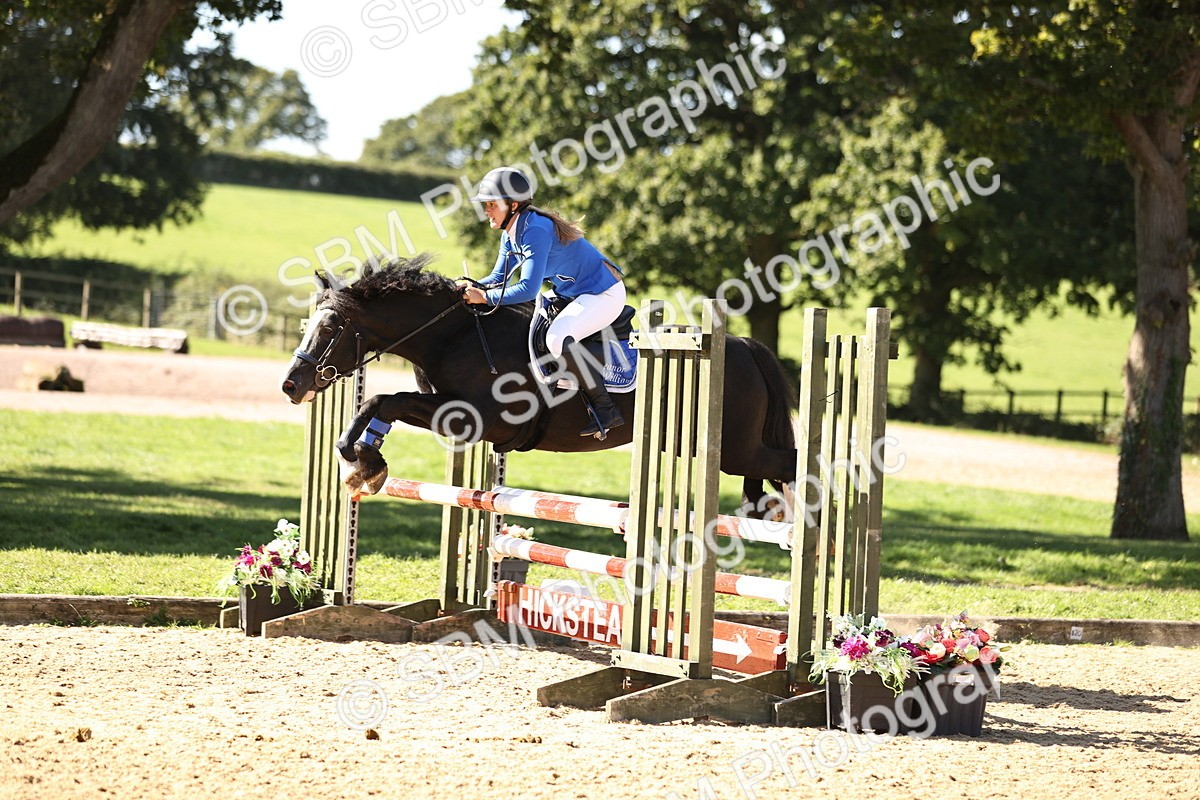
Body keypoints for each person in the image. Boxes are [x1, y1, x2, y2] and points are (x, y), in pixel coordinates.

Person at [458, 166, 626, 438]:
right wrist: (471, 285)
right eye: (486, 204)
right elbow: (498, 276)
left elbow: (527, 289)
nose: (486, 210)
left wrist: (485, 297)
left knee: (558, 338)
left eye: (491, 204)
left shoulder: (535, 230)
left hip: (603, 293)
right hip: (572, 293)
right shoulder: (511, 232)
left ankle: (606, 408)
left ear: (512, 205)